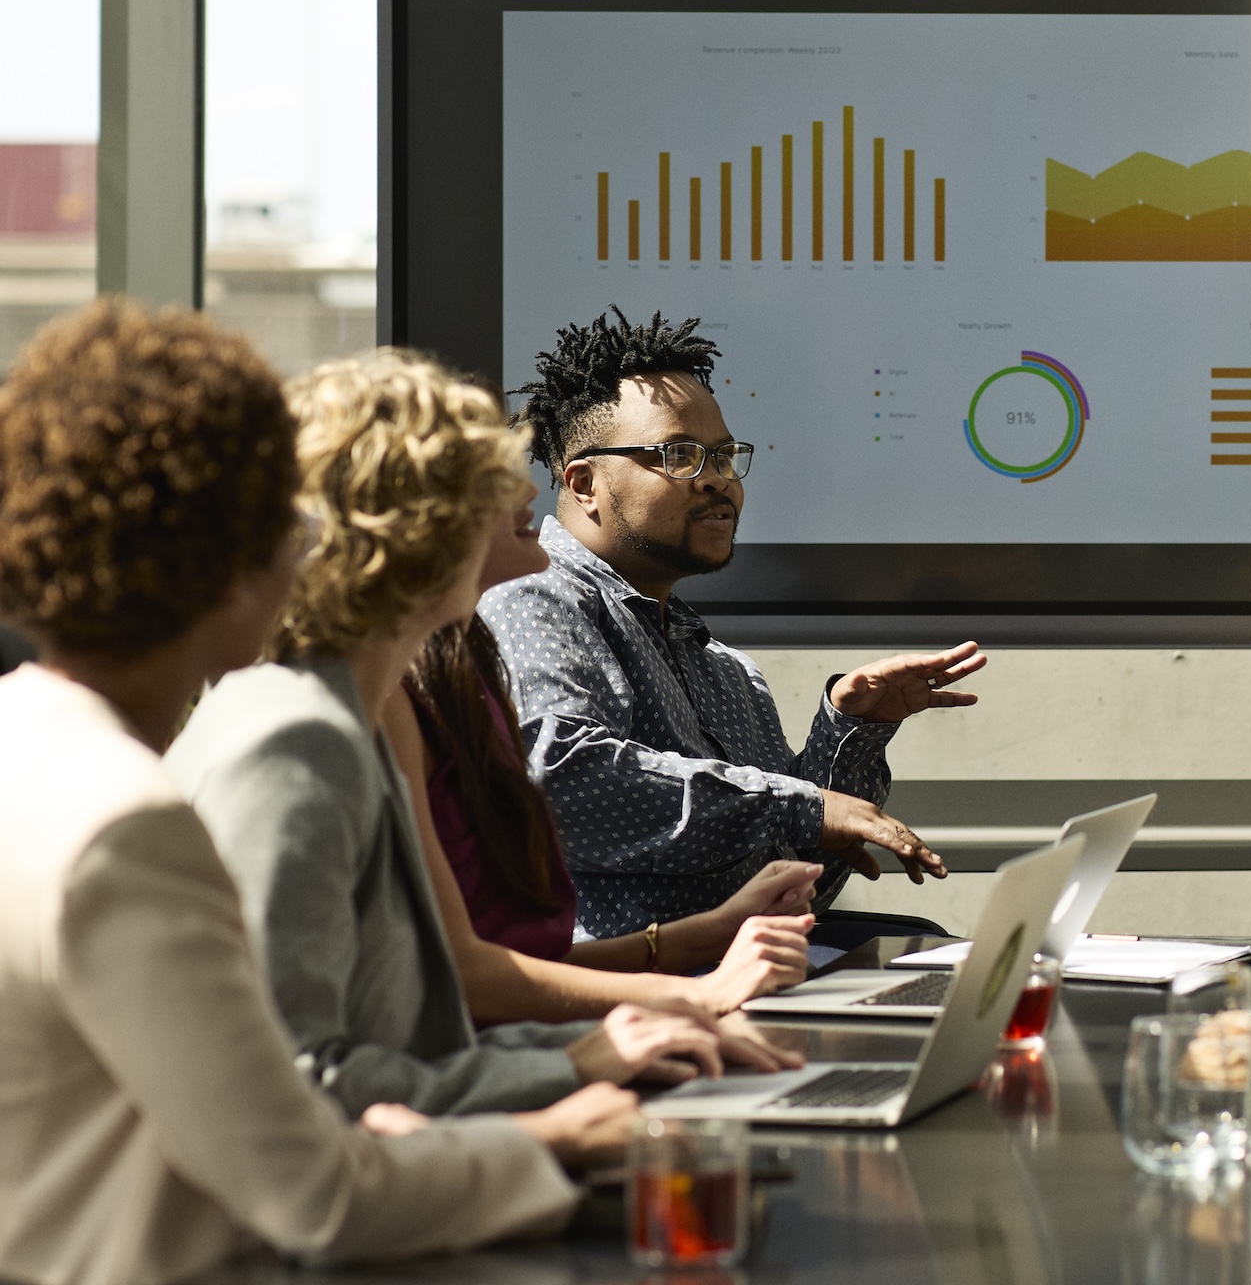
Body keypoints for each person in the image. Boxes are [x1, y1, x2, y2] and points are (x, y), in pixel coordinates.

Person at [0, 303, 635, 1285]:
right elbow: (311, 1187)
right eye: (280, 523)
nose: (305, 549)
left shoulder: (31, 746)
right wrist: (547, 1136)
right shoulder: (130, 824)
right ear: (222, 561)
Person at [169, 348, 797, 1119]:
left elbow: (430, 1015)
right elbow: (296, 1090)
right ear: (407, 521)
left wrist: (660, 1003)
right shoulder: (298, 740)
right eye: (482, 472)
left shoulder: (367, 704)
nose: (527, 487)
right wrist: (591, 1066)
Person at [482, 306, 985, 938]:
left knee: (928, 948)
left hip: (745, 980)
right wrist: (802, 809)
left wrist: (851, 731)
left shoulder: (726, 673)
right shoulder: (533, 593)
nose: (718, 481)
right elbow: (559, 781)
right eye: (681, 455)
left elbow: (795, 891)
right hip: (630, 1005)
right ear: (584, 483)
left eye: (724, 457)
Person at [383, 484, 824, 1023]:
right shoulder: (396, 691)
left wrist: (706, 935)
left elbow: (499, 965)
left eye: (726, 456)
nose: (525, 485)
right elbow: (459, 984)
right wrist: (695, 995)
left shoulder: (450, 661)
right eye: (483, 470)